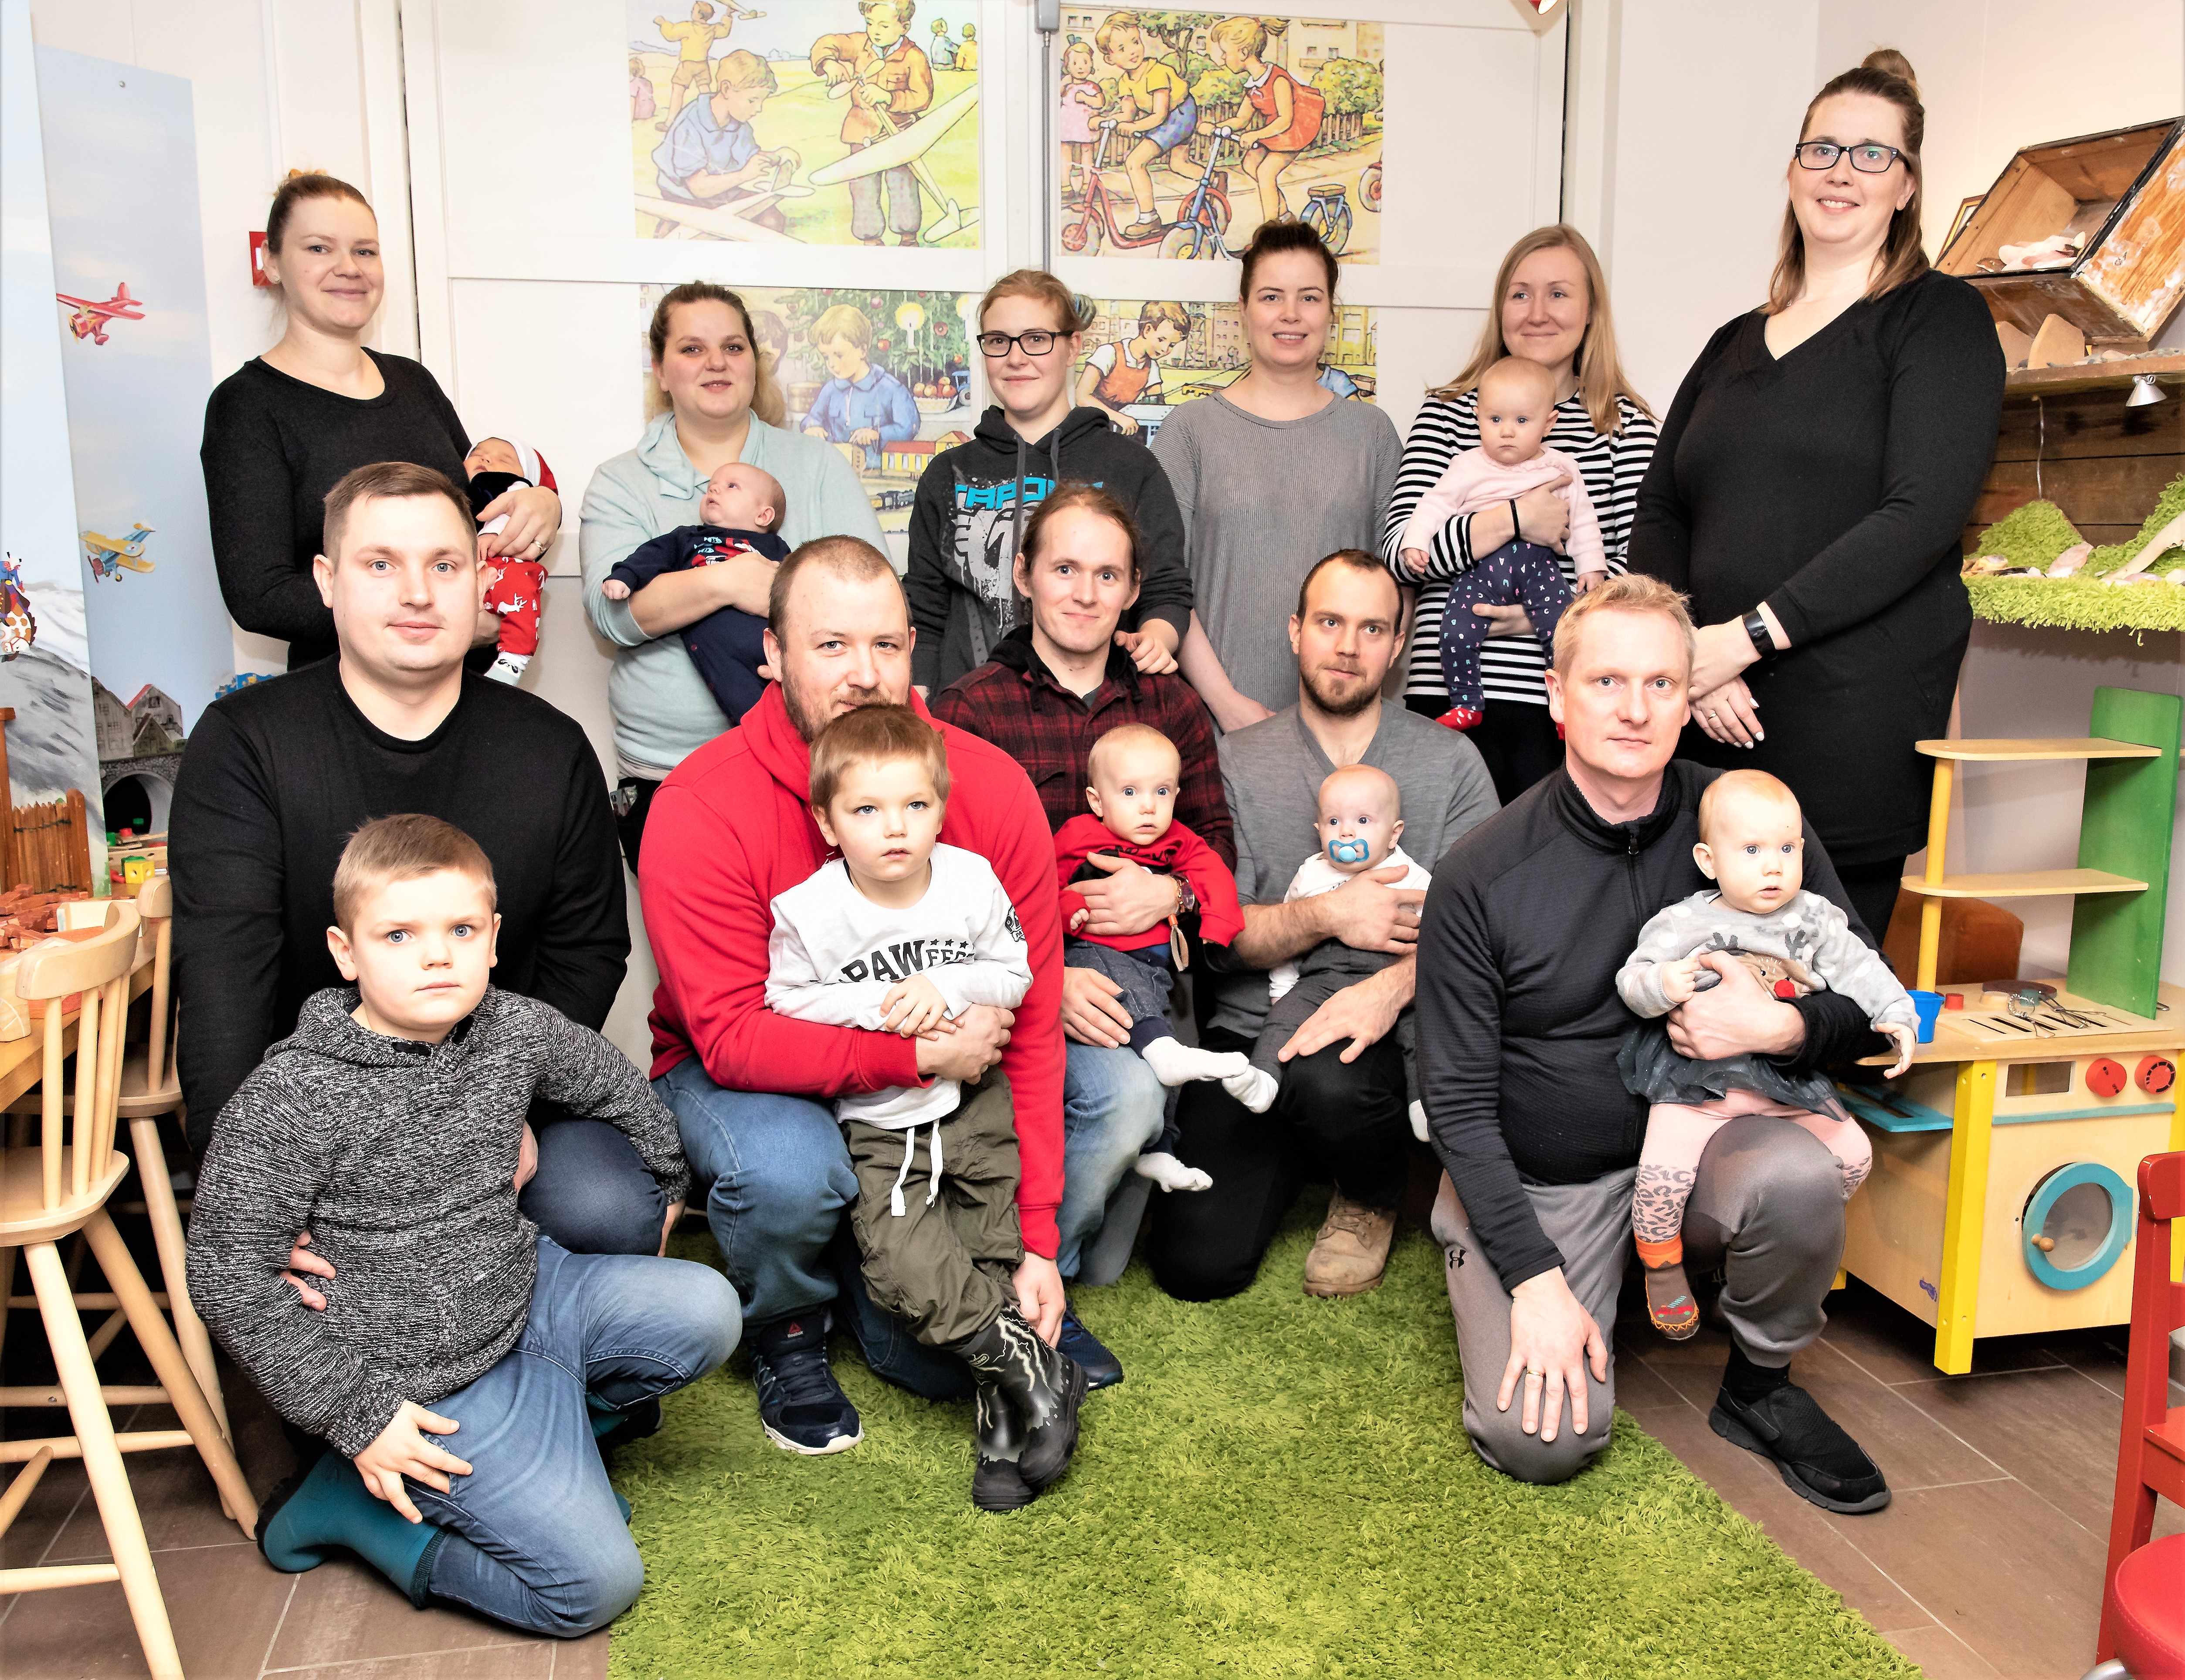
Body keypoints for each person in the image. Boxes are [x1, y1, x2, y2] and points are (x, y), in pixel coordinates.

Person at [1417, 573, 1894, 1513]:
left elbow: (1868, 997)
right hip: (1547, 1179)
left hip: (1711, 1145)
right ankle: (1510, 1247)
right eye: (1605, 681)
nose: (1633, 710)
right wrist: (1534, 1280)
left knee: (1798, 1171)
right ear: (1556, 696)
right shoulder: (1479, 874)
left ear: (1687, 700)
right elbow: (1457, 1103)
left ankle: (1758, 1384)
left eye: (1659, 684)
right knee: (1538, 1441)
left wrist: (1784, 1026)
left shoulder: (1750, 823)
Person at [189, 814, 732, 1636]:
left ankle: (567, 1430)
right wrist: (358, 1417)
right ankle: (350, 1503)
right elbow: (225, 1276)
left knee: (708, 1309)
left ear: (493, 940)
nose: (436, 956)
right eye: (399, 935)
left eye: (461, 931)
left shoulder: (512, 1029)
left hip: (529, 1300)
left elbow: (610, 1079)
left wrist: (668, 1180)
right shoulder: (291, 1096)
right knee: (593, 1586)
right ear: (346, 952)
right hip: (425, 1384)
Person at [638, 536, 1070, 1455]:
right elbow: (733, 1036)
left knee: (1106, 1093)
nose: (863, 674)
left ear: (913, 648)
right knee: (790, 1168)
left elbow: (1030, 1018)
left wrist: (1037, 1240)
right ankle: (789, 1326)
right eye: (830, 645)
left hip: (940, 1079)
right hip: (751, 1080)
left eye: (884, 644)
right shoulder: (699, 802)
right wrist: (912, 1054)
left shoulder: (988, 786)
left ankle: (991, 1312)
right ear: (772, 653)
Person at [174, 461, 656, 1256]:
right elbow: (223, 985)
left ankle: (546, 1333)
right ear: (327, 582)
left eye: (444, 565)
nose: (417, 593)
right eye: (380, 565)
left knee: (609, 1205)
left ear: (481, 581)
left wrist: (501, 1107)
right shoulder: (244, 745)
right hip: (315, 1121)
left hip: (502, 1091)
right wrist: (251, 1189)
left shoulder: (550, 749)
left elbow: (588, 953)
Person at [1625, 50, 2005, 941]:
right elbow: (1661, 507)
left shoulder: (1937, 319)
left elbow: (1918, 515)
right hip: (1706, 715)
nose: (1841, 171)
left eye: (1871, 154)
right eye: (1821, 149)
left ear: (1905, 185)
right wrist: (1689, 650)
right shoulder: (1730, 342)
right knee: (1681, 975)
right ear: (1792, 169)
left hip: (1846, 720)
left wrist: (1744, 639)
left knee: (1812, 989)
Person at [1147, 550, 1496, 1303]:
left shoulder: (1450, 763)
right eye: (1330, 622)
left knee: (1330, 1075)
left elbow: (1492, 935)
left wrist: (1390, 989)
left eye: (1371, 628)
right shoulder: (1234, 763)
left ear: (1397, 645)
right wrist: (1328, 912)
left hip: (1383, 1038)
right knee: (1195, 1267)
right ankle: (1306, 1153)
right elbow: (1219, 942)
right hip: (1251, 1037)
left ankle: (1370, 1189)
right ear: (1295, 631)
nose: (1347, 646)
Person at [765, 705, 1084, 1511]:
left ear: (940, 809)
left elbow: (1014, 975)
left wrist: (945, 985)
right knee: (900, 1261)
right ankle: (1038, 1369)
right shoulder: (808, 909)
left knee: (985, 1252)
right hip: (884, 1124)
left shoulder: (970, 879)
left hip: (976, 1106)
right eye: (866, 810)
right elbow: (784, 1002)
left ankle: (1003, 1424)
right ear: (827, 823)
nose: (894, 828)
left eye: (914, 805)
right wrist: (880, 1010)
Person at [931, 486, 1226, 1316]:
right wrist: (1043, 980)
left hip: (1139, 989)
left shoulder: (1172, 705)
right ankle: (1023, 1288)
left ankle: (1055, 1260)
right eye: (1063, 569)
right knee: (1122, 1099)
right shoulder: (967, 710)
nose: (1084, 593)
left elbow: (1217, 850)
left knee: (1111, 1254)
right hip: (1012, 986)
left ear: (1132, 591)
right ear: (1023, 575)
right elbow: (934, 885)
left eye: (1106, 575)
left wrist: (1167, 891)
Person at [201, 173, 560, 672]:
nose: (349, 267)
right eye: (319, 248)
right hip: (347, 698)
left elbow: (475, 517)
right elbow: (261, 596)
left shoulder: (414, 383)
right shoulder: (246, 406)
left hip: (465, 688)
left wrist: (543, 504)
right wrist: (438, 615)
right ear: (272, 262)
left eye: (365, 251)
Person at [580, 282, 883, 867]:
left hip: (816, 768)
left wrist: (769, 594)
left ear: (754, 363)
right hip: (668, 772)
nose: (716, 362)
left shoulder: (817, 465)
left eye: (733, 347)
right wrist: (728, 582)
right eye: (692, 349)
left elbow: (876, 599)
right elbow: (613, 615)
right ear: (660, 370)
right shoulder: (621, 482)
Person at [1616, 768, 1916, 1340]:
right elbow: (1632, 979)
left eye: (1786, 849)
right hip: (1698, 1081)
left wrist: (1895, 1013)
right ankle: (1661, 1267)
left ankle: (1767, 1247)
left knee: (1854, 1154)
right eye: (1751, 850)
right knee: (1662, 1175)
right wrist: (1662, 984)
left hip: (1784, 1079)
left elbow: (1863, 970)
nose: (1773, 866)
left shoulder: (1815, 919)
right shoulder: (1684, 921)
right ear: (1708, 861)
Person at [1381, 224, 1656, 804]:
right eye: (1520, 294)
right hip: (1447, 692)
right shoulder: (1448, 414)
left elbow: (1642, 577)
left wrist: (1543, 618)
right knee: (1444, 855)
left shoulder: (1624, 427)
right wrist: (1514, 519)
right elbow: (1400, 555)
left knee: (1551, 856)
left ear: (1590, 311)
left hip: (1566, 702)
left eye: (1558, 294)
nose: (1537, 312)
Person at [1157, 223, 1402, 731]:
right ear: (1243, 310)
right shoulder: (1189, 430)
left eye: (1309, 297)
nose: (1291, 314)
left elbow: (1399, 589)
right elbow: (1164, 584)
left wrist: (1349, 705)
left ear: (1330, 312)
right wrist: (1226, 705)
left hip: (1347, 729)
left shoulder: (1373, 434)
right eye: (1271, 297)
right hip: (1215, 726)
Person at [908, 271, 1189, 693]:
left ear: (1073, 346)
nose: (1015, 358)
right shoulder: (947, 474)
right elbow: (925, 613)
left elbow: (1165, 589)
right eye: (998, 341)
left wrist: (1155, 640)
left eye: (1036, 339)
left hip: (1098, 711)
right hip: (969, 714)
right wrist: (921, 709)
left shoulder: (1131, 467)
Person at [1054, 722, 1255, 1189]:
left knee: (1163, 1053)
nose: (1148, 806)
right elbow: (1043, 887)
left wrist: (1217, 929)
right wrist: (1069, 910)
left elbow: (1213, 875)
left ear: (1176, 795)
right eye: (1130, 792)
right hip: (1093, 956)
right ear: (1097, 801)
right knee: (1161, 1048)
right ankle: (1165, 1059)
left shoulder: (1178, 841)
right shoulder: (1077, 836)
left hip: (1154, 969)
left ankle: (1161, 1149)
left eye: (1161, 792)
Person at [1398, 358, 1607, 731]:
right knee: (1454, 630)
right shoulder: (1467, 465)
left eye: (1522, 421)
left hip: (1539, 570)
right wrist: (1415, 541)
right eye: (1495, 420)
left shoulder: (1562, 468)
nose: (1507, 432)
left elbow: (1583, 521)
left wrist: (1592, 566)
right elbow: (1433, 505)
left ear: (1549, 423)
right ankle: (1467, 703)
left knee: (1564, 633)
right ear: (1477, 417)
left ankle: (1567, 710)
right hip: (1480, 572)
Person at [1249, 763, 1432, 1126]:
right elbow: (1289, 935)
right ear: (1319, 830)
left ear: (1394, 834)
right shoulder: (1310, 874)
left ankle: (1424, 1104)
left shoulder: (1412, 876)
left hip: (1390, 972)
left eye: (1363, 821)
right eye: (1334, 822)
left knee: (1422, 1031)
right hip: (1322, 976)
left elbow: (1441, 936)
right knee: (1283, 1020)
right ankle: (1262, 1078)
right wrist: (1282, 988)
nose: (1346, 832)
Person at [601, 461, 789, 727]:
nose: (714, 490)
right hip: (720, 654)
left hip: (769, 644)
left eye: (731, 486)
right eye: (712, 486)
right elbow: (651, 556)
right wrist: (625, 575)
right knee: (751, 719)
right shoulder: (687, 538)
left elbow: (804, 590)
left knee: (790, 711)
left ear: (763, 516)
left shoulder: (777, 548)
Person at [812, 2, 934, 248]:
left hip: (899, 135)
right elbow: (826, 43)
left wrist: (889, 98)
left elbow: (922, 97)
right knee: (863, 187)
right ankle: (870, 240)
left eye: (884, 25)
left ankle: (908, 239)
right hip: (861, 132)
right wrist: (829, 62)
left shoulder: (914, 56)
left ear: (904, 27)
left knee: (903, 186)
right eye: (870, 23)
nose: (875, 31)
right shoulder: (860, 44)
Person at [651, 51, 794, 234]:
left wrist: (778, 156)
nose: (759, 109)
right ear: (726, 89)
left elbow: (750, 158)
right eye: (752, 101)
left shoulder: (739, 124)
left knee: (771, 220)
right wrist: (743, 176)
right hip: (685, 198)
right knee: (684, 235)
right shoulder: (690, 125)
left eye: (762, 101)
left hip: (724, 192)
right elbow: (698, 188)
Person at [1208, 16, 1324, 240]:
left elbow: (1285, 120)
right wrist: (1216, 126)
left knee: (1265, 172)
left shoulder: (1278, 80)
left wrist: (1256, 135)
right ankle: (1285, 216)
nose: (1222, 58)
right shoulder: (1253, 85)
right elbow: (1241, 119)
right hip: (1276, 130)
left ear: (1243, 53)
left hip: (1295, 130)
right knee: (1250, 164)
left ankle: (1270, 232)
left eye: (1225, 52)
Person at [463, 437, 558, 685]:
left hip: (506, 568)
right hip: (475, 576)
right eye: (478, 454)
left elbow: (517, 506)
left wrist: (492, 534)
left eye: (504, 460)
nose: (486, 459)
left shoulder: (515, 487)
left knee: (520, 602)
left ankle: (514, 658)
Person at [1094, 13, 1194, 231]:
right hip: (1169, 116)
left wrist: (1133, 128)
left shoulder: (1156, 73)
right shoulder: (1125, 81)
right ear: (1110, 59)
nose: (1132, 51)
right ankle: (1214, 179)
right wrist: (1105, 120)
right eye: (1122, 49)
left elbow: (1159, 116)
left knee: (1135, 162)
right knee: (1179, 165)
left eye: (1135, 42)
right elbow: (1128, 114)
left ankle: (1149, 219)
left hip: (1180, 114)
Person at [801, 303, 919, 471]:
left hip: (878, 472)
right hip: (836, 470)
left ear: (863, 350)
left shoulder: (891, 389)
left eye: (839, 355)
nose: (832, 364)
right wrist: (812, 427)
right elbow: (813, 418)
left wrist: (877, 433)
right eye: (826, 357)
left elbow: (909, 428)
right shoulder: (830, 390)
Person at [1074, 300, 1188, 437]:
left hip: (1124, 430)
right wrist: (1119, 417)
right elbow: (1081, 397)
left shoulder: (1152, 367)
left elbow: (1157, 405)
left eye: (1172, 345)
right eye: (1162, 340)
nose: (1165, 349)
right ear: (1147, 330)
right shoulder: (1109, 353)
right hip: (1091, 425)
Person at [653, 1, 742, 132]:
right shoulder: (711, 29)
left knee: (678, 91)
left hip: (687, 65)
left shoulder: (688, 27)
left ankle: (670, 122)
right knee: (705, 93)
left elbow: (671, 34)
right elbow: (724, 31)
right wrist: (728, 15)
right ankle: (714, 120)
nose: (691, 12)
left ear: (700, 15)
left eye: (693, 10)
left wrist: (663, 23)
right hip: (703, 65)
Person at [1058, 40, 1103, 200]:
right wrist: (1062, 86)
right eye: (1075, 63)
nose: (1080, 67)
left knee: (1087, 152)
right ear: (1068, 67)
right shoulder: (1066, 86)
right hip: (1067, 125)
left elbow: (1100, 102)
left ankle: (1087, 185)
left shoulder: (1092, 87)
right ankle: (1065, 184)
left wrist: (1086, 98)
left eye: (1085, 62)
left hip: (1085, 125)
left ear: (1091, 65)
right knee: (1065, 152)